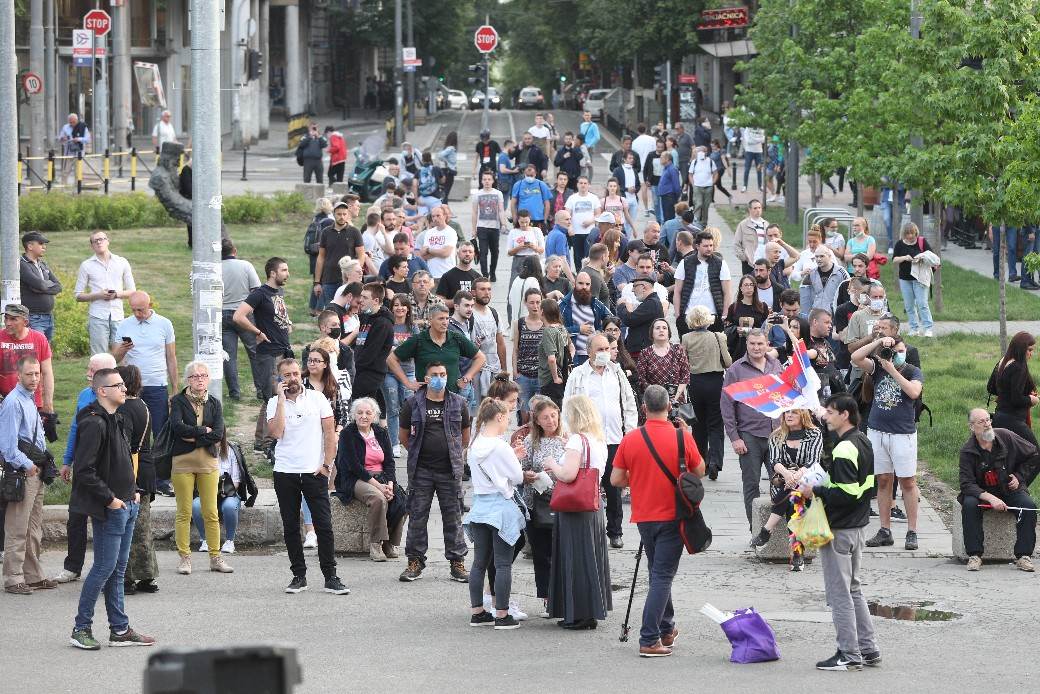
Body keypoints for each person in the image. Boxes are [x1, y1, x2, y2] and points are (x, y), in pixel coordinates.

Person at [611, 384, 704, 657]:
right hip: (673, 515)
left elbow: (616, 479)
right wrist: (688, 436)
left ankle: (666, 628)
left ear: (643, 408)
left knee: (657, 572)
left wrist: (637, 479)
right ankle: (649, 638)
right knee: (662, 576)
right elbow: (699, 471)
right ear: (668, 407)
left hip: (644, 516)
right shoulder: (681, 437)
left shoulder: (631, 438)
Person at [67, 366, 155, 649]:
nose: (124, 389)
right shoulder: (93, 422)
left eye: (123, 385)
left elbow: (123, 460)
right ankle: (81, 628)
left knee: (117, 571)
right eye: (118, 385)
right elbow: (84, 470)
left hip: (129, 503)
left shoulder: (119, 418)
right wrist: (111, 500)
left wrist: (134, 491)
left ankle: (120, 630)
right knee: (103, 568)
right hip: (112, 508)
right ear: (102, 390)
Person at [801, 394, 879, 671]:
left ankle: (849, 653)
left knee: (840, 594)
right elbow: (865, 487)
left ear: (845, 415)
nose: (826, 416)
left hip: (840, 527)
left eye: (831, 412)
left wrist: (816, 490)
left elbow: (846, 493)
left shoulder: (845, 448)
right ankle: (868, 649)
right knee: (854, 589)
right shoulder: (863, 440)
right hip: (857, 526)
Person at [268, 358, 349, 595]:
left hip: (314, 472)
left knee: (324, 525)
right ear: (280, 379)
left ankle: (330, 576)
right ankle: (298, 575)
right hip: (285, 472)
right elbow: (276, 433)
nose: (292, 379)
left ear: (300, 374)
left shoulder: (318, 398)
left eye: (295, 373)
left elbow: (329, 433)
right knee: (291, 526)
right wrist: (282, 401)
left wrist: (327, 465)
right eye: (286, 375)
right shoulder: (274, 402)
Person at [542, 395, 613, 629]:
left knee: (575, 558)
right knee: (590, 558)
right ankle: (589, 610)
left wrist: (552, 462)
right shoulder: (597, 440)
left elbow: (568, 474)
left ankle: (578, 614)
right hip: (592, 504)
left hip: (574, 507)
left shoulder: (576, 441)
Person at [398, 362, 471, 583]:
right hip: (421, 470)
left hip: (450, 470)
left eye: (443, 374)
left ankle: (457, 562)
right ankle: (415, 561)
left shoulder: (459, 403)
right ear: (426, 378)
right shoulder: (412, 403)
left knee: (453, 518)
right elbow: (403, 438)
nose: (439, 377)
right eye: (435, 375)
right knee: (417, 517)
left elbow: (464, 438)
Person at [564, 334, 638, 548]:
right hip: (588, 440)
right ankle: (588, 529)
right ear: (589, 352)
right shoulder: (578, 375)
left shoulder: (616, 373)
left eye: (607, 348)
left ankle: (615, 531)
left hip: (614, 438)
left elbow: (629, 403)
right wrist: (568, 435)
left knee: (614, 487)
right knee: (588, 485)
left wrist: (630, 433)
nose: (605, 353)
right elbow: (567, 405)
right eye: (600, 349)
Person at [851, 335, 923, 551]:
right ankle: (885, 530)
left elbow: (913, 392)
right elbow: (855, 357)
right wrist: (879, 343)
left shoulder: (912, 371)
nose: (896, 354)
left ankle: (912, 531)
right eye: (894, 351)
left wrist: (892, 369)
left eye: (900, 350)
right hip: (877, 431)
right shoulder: (877, 367)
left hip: (903, 434)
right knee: (883, 480)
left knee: (907, 482)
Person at [464, 398, 526, 630]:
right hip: (500, 508)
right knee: (502, 565)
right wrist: (515, 459)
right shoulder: (500, 446)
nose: (508, 422)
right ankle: (502, 614)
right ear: (499, 417)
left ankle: (477, 612)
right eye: (507, 417)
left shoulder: (475, 444)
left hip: (479, 507)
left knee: (479, 563)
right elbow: (517, 477)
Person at [168, 362, 232, 575]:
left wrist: (192, 437)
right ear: (188, 380)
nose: (199, 379)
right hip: (182, 462)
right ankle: (185, 558)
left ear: (209, 379)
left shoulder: (214, 402)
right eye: (195, 376)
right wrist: (202, 431)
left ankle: (216, 557)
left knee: (211, 512)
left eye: (203, 375)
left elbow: (218, 433)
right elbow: (176, 428)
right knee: (184, 512)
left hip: (208, 463)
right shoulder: (177, 401)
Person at [112, 292, 178, 495]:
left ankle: (161, 479)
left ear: (149, 304)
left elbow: (171, 357)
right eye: (133, 310)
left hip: (157, 384)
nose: (137, 313)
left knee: (159, 431)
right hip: (131, 386)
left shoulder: (164, 324)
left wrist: (175, 388)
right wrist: (123, 349)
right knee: (131, 433)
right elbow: (114, 357)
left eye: (140, 309)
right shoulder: (124, 325)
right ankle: (132, 476)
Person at [959, 409, 1038, 572]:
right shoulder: (967, 451)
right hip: (982, 492)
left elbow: (1034, 454)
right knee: (969, 504)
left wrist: (1019, 476)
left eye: (988, 420)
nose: (987, 424)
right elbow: (966, 484)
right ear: (972, 427)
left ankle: (1024, 556)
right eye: (981, 422)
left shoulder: (1006, 436)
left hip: (1008, 488)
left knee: (1028, 506)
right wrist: (990, 498)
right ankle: (975, 555)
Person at [1, 357, 53, 596]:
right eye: (29, 374)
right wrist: (28, 464)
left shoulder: (29, 400)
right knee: (18, 526)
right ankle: (13, 578)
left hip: (36, 470)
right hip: (23, 472)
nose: (34, 379)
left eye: (37, 374)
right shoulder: (13, 403)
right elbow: (7, 446)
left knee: (33, 527)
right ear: (18, 375)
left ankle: (32, 575)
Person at [721, 329, 783, 527]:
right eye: (752, 344)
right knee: (751, 485)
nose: (756, 348)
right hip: (749, 436)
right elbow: (727, 405)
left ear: (767, 345)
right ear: (747, 345)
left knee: (781, 482)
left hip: (777, 435)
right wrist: (734, 437)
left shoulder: (776, 365)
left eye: (760, 344)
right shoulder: (736, 370)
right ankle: (755, 530)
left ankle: (778, 530)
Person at [750, 410, 824, 571]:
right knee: (794, 499)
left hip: (808, 480)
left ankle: (766, 531)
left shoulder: (814, 433)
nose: (789, 416)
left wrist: (796, 476)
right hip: (782, 481)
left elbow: (813, 461)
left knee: (796, 493)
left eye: (794, 413)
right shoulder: (777, 435)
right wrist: (788, 475)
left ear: (803, 415)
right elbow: (775, 461)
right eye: (786, 413)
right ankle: (797, 554)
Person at [334, 397, 404, 562]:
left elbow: (389, 463)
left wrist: (390, 485)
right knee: (378, 498)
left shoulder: (381, 432)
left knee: (400, 498)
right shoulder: (347, 434)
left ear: (374, 416)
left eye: (368, 413)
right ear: (354, 415)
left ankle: (390, 543)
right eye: (359, 412)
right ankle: (376, 544)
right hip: (356, 478)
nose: (363, 416)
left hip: (382, 477)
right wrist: (380, 487)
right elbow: (354, 466)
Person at [234, 257, 293, 452]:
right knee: (273, 397)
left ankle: (260, 440)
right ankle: (269, 444)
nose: (287, 274)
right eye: (284, 270)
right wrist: (257, 332)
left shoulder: (279, 292)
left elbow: (278, 314)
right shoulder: (260, 294)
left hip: (282, 350)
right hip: (268, 353)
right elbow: (238, 316)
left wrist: (287, 323)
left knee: (274, 396)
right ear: (273, 273)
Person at [515, 395, 567, 615]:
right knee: (542, 552)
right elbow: (521, 468)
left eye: (553, 416)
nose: (550, 421)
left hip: (562, 502)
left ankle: (563, 596)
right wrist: (527, 475)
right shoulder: (531, 441)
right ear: (537, 420)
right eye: (545, 417)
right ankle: (546, 596)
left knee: (562, 552)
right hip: (536, 504)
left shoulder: (568, 439)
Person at [117, 365, 160, 595]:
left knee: (128, 528)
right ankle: (148, 576)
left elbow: (124, 445)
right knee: (143, 527)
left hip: (131, 472)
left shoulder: (123, 410)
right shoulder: (143, 405)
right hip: (146, 469)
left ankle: (127, 578)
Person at [682, 305, 732, 480]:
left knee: (698, 425)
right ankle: (715, 462)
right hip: (715, 382)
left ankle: (700, 463)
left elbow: (683, 362)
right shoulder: (719, 336)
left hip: (695, 383)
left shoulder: (686, 338)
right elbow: (727, 361)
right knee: (716, 425)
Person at [190, 428, 257, 557]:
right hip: (206, 492)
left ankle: (229, 540)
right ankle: (205, 540)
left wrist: (220, 491)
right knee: (196, 505)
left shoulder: (231, 450)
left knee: (229, 506)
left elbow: (237, 481)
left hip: (228, 492)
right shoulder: (201, 451)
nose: (214, 440)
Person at [75, 230, 137, 356]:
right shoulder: (86, 265)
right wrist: (99, 295)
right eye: (95, 241)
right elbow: (78, 295)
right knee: (99, 356)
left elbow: (132, 291)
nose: (99, 242)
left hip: (118, 315)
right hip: (97, 315)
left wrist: (116, 294)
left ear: (108, 241)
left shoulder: (122, 262)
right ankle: (97, 376)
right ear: (91, 246)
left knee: (121, 354)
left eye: (101, 239)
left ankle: (120, 376)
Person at [220, 239, 262, 401]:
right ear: (234, 251)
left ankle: (234, 392)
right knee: (254, 352)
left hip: (223, 314)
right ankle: (260, 389)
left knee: (229, 355)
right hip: (244, 314)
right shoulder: (246, 266)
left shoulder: (216, 269)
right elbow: (256, 290)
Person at [673, 231, 732, 336]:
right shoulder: (685, 262)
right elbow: (677, 291)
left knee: (712, 350)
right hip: (689, 314)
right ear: (697, 246)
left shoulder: (721, 263)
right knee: (688, 349)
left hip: (713, 316)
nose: (709, 248)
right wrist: (678, 315)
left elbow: (727, 292)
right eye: (705, 246)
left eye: (711, 245)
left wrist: (725, 314)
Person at [987, 331, 1039, 449]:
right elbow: (1017, 399)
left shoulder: (1002, 361)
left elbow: (991, 388)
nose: (1031, 354)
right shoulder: (1019, 367)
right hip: (1013, 421)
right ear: (1020, 349)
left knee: (1008, 458)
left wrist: (1005, 393)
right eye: (1029, 350)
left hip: (998, 418)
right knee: (1034, 453)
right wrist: (1032, 400)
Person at [383, 295, 419, 457]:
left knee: (409, 406)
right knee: (392, 407)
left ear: (408, 308)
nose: (399, 308)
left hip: (409, 371)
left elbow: (417, 349)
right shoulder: (387, 326)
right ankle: (394, 443)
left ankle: (410, 439)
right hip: (389, 372)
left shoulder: (413, 328)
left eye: (403, 305)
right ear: (391, 308)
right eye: (396, 305)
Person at [313, 198, 366, 306]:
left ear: (347, 214)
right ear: (334, 214)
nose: (342, 217)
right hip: (329, 278)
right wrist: (317, 282)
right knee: (330, 309)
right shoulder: (326, 232)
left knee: (349, 308)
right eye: (339, 214)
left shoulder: (354, 232)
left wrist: (356, 272)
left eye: (344, 214)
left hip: (348, 280)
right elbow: (321, 257)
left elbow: (361, 255)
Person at [892, 222, 936, 337]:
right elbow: (894, 259)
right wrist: (905, 258)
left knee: (922, 303)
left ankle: (928, 328)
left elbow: (932, 256)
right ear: (904, 234)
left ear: (916, 232)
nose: (910, 236)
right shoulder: (900, 244)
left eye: (912, 233)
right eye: (907, 234)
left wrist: (921, 257)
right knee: (909, 305)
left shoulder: (922, 242)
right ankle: (914, 328)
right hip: (905, 279)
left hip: (920, 278)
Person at [637, 318, 690, 410]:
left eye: (664, 328)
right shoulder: (645, 353)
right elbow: (642, 379)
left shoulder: (678, 350)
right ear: (652, 333)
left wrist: (674, 398)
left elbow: (685, 376)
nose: (661, 330)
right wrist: (658, 398)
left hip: (676, 401)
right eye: (657, 328)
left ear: (669, 332)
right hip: (653, 401)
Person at [19, 231, 62, 342]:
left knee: (45, 353)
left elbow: (58, 286)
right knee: (35, 352)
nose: (44, 246)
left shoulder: (42, 264)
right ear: (30, 246)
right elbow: (40, 284)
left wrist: (42, 287)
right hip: (33, 318)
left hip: (48, 316)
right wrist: (44, 285)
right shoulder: (22, 265)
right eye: (41, 243)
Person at [560, 272, 610, 367]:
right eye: (581, 283)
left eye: (587, 284)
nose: (584, 287)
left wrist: (600, 331)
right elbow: (555, 331)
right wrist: (578, 329)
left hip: (596, 355)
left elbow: (611, 319)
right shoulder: (563, 305)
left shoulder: (595, 303)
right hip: (574, 356)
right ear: (574, 284)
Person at [472, 171, 509, 280]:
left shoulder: (498, 193)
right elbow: (474, 213)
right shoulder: (477, 194)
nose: (487, 181)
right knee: (483, 252)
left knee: (495, 252)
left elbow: (501, 210)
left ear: (493, 181)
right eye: (484, 179)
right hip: (481, 227)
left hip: (495, 227)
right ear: (481, 180)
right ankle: (484, 274)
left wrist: (504, 224)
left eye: (489, 179)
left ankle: (492, 272)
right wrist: (473, 229)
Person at [725, 275, 770, 360]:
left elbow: (766, 326)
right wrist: (739, 329)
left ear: (754, 288)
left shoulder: (762, 306)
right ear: (741, 288)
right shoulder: (734, 307)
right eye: (746, 285)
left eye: (751, 285)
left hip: (757, 346)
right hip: (738, 347)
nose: (749, 287)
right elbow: (728, 328)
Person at [619, 276, 665, 356]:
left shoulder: (651, 303)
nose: (632, 290)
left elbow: (630, 320)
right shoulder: (651, 302)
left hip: (642, 352)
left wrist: (621, 306)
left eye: (634, 286)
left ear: (643, 287)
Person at [539, 299, 571, 406]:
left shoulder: (548, 331)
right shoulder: (562, 328)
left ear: (542, 312)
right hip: (564, 374)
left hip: (550, 379)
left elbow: (551, 358)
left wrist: (555, 377)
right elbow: (572, 349)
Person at [800, 246, 849, 315]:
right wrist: (805, 315)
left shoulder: (841, 273)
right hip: (816, 315)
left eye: (822, 256)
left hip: (834, 315)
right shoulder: (812, 273)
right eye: (816, 257)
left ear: (829, 256)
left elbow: (848, 294)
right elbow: (805, 296)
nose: (819, 259)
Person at [565, 176, 601, 269]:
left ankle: (588, 273)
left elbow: (598, 214)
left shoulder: (594, 198)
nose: (583, 185)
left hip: (590, 232)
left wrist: (590, 221)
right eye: (581, 183)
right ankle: (578, 274)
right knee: (577, 256)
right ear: (577, 185)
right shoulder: (572, 198)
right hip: (576, 232)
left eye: (585, 183)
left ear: (589, 185)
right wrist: (570, 228)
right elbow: (567, 215)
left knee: (589, 255)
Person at [419, 207, 459, 281]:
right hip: (431, 275)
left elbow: (445, 253)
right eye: (433, 216)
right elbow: (423, 255)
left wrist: (428, 249)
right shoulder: (429, 233)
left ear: (444, 216)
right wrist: (439, 252)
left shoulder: (450, 232)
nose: (435, 218)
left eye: (438, 215)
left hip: (448, 274)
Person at [734, 200, 768, 275]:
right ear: (750, 209)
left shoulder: (766, 224)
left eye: (759, 208)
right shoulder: (743, 225)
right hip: (749, 262)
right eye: (755, 208)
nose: (758, 210)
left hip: (763, 261)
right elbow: (737, 243)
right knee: (749, 284)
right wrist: (744, 258)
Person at [438, 131, 459, 202]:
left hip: (446, 171)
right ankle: (444, 208)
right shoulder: (451, 148)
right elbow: (440, 155)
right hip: (449, 172)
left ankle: (444, 208)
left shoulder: (448, 148)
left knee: (444, 192)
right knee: (446, 192)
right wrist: (447, 162)